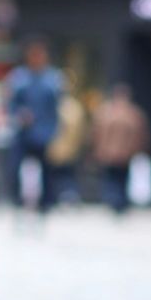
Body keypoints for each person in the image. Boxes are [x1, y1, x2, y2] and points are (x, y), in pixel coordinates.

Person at [7, 39, 62, 212]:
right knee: (15, 167)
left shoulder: (52, 79)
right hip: (23, 132)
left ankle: (46, 204)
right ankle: (17, 201)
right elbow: (11, 105)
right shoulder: (19, 77)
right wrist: (19, 115)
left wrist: (55, 130)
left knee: (47, 171)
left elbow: (56, 107)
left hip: (44, 132)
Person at [91, 83, 149, 214]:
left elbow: (98, 133)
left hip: (111, 153)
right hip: (124, 154)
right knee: (121, 179)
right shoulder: (133, 114)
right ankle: (118, 202)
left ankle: (114, 201)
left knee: (113, 178)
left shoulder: (106, 112)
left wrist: (99, 149)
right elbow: (141, 136)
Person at [46, 70, 87, 205]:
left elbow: (77, 130)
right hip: (60, 148)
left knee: (64, 177)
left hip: (63, 148)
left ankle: (65, 198)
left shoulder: (68, 106)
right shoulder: (65, 105)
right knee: (59, 178)